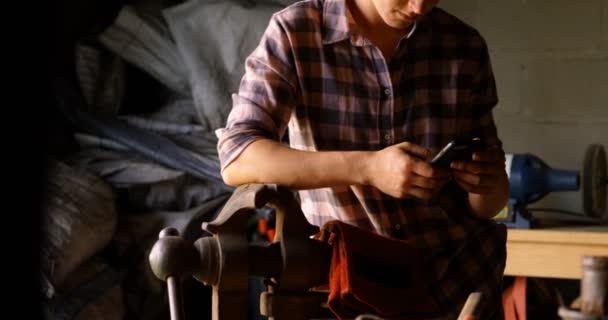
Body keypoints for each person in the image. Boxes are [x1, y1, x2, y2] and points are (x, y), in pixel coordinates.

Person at [216, 0, 510, 318]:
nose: (419, 6)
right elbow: (237, 158)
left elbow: (489, 205)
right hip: (349, 288)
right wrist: (368, 168)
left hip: (458, 285)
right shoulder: (296, 31)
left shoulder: (463, 45)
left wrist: (487, 183)